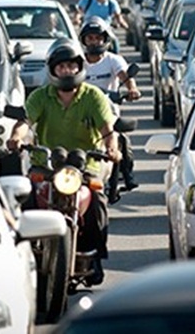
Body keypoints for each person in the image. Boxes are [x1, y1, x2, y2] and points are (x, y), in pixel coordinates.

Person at [6, 39, 120, 286]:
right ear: (52, 69)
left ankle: (95, 256)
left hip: (85, 165)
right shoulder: (40, 96)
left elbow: (108, 129)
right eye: (61, 66)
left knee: (98, 202)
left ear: (80, 68)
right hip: (46, 165)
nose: (67, 70)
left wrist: (112, 148)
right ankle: (23, 253)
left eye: (71, 65)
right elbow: (25, 122)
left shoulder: (94, 96)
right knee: (26, 198)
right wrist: (16, 138)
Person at [81, 18, 140, 203]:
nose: (94, 42)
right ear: (84, 40)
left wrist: (132, 89)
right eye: (90, 38)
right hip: (81, 111)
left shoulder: (113, 60)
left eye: (98, 38)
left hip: (109, 111)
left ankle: (127, 174)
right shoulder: (78, 62)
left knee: (121, 138)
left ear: (105, 39)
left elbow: (125, 76)